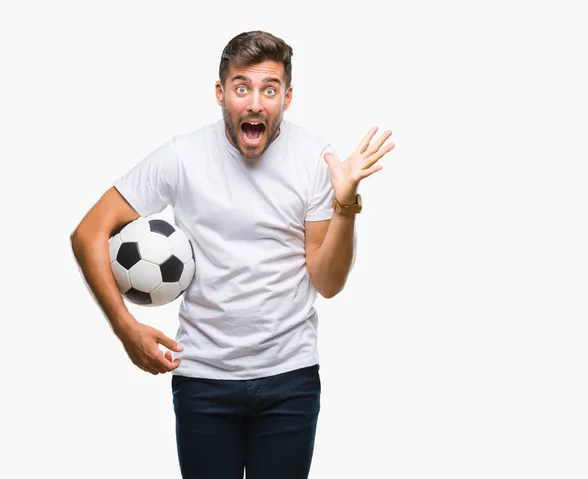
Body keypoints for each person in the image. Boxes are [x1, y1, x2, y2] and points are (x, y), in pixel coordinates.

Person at [71, 30, 394, 479]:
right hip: (203, 379)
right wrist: (125, 328)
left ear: (288, 96)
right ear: (221, 92)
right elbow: (88, 233)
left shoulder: (316, 159)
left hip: (290, 379)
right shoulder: (182, 157)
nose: (255, 103)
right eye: (242, 87)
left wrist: (345, 205)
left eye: (269, 89)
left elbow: (329, 283)